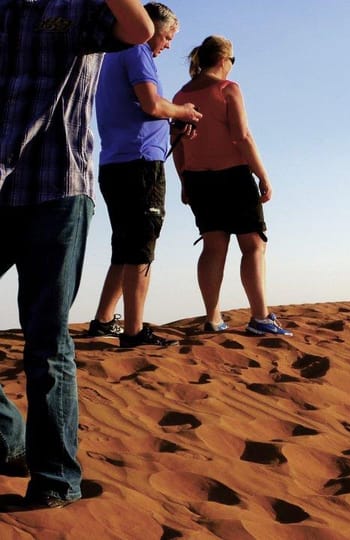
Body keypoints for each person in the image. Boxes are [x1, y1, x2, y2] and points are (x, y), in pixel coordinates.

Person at [0, 0, 153, 509]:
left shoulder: (78, 5)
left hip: (58, 183)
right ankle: (8, 438)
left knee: (46, 337)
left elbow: (138, 28)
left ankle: (55, 478)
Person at [88, 2, 202, 347]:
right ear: (152, 27)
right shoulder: (137, 50)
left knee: (124, 245)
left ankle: (104, 320)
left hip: (114, 162)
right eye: (167, 37)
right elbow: (152, 104)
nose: (167, 45)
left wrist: (172, 122)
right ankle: (134, 332)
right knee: (140, 246)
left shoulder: (109, 54)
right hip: (139, 165)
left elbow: (140, 111)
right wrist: (183, 111)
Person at [172, 35, 292, 336]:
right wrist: (263, 175)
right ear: (224, 60)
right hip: (233, 175)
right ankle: (260, 317)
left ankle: (213, 318)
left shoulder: (179, 96)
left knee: (213, 248)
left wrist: (184, 181)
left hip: (199, 178)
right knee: (253, 245)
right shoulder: (228, 89)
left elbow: (178, 147)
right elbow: (242, 136)